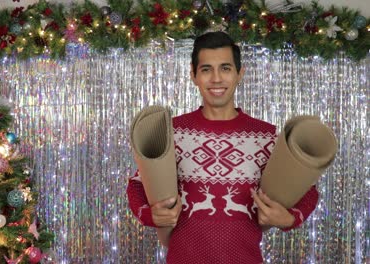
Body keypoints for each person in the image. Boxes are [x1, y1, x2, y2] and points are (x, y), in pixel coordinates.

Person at [126, 31, 319, 263]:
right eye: (206, 69)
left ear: (240, 74)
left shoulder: (266, 136)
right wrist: (150, 215)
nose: (216, 79)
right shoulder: (171, 132)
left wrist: (289, 220)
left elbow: (308, 190)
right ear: (193, 75)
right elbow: (137, 184)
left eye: (225, 68)